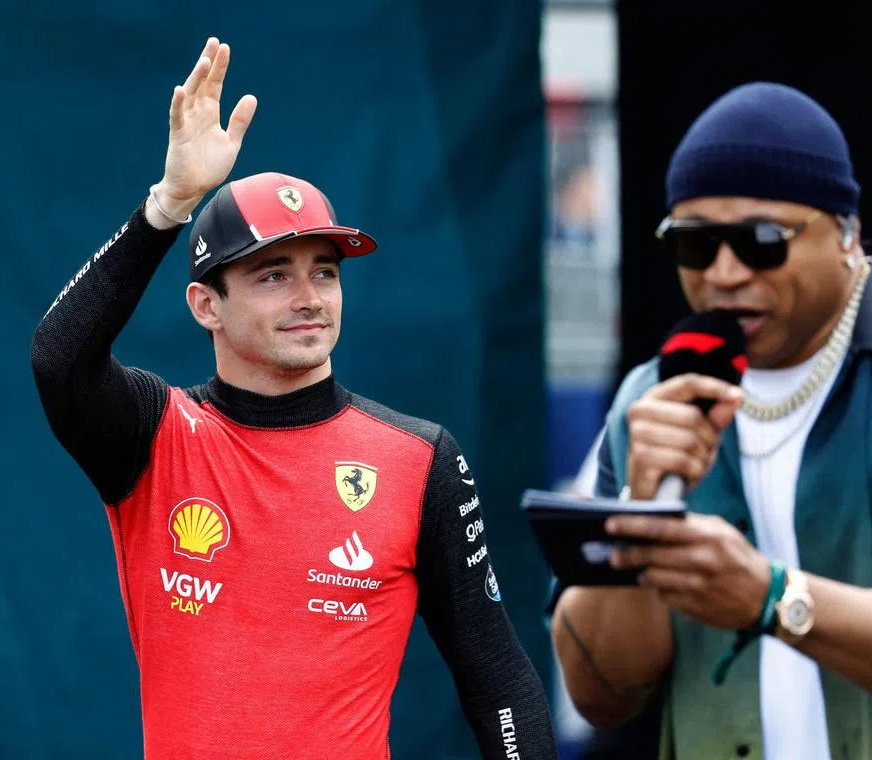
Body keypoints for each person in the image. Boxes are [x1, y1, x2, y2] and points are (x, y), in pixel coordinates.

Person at [31, 37, 558, 760]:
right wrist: (169, 205)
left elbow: (495, 675)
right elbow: (59, 361)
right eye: (274, 275)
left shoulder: (420, 458)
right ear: (204, 305)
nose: (310, 298)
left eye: (326, 273)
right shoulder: (154, 434)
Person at [549, 81, 872, 759]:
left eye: (762, 241)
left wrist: (771, 598)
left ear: (848, 234)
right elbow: (604, 693)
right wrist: (641, 512)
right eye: (695, 246)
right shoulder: (653, 401)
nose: (726, 272)